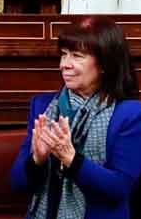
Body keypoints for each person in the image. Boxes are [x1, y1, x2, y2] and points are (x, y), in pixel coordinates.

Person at [11, 16, 141, 219]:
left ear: (105, 63)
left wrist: (71, 159)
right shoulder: (43, 107)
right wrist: (37, 160)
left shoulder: (130, 114)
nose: (64, 64)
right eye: (63, 55)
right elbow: (17, 183)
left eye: (77, 56)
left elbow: (119, 189)